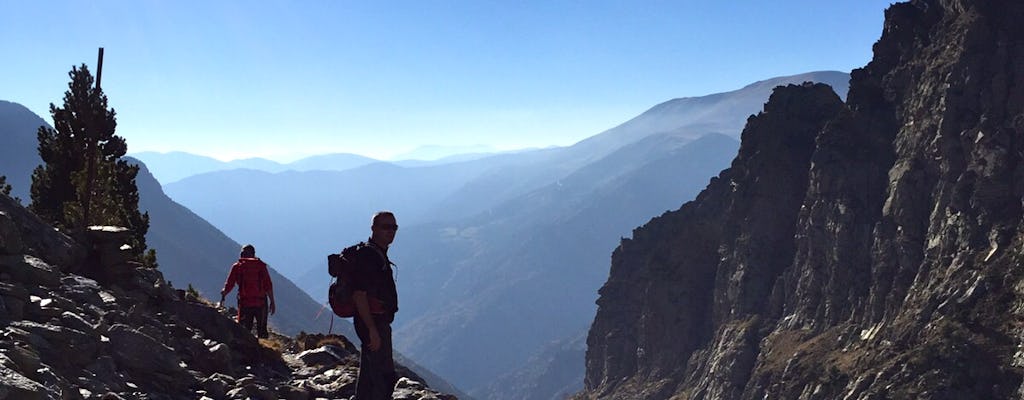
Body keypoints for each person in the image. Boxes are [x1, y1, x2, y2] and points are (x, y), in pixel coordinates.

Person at [351, 211, 400, 399]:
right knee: (384, 378)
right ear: (374, 229)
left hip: (374, 322)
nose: (391, 231)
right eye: (385, 227)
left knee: (369, 377)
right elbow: (359, 294)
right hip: (373, 322)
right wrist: (372, 329)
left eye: (394, 227)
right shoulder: (369, 257)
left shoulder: (376, 253)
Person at [220, 244, 276, 338]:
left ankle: (246, 350)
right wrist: (272, 302)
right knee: (262, 330)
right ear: (253, 254)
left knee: (244, 330)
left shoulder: (237, 266)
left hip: (245, 302)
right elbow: (268, 285)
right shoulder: (260, 266)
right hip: (261, 302)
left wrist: (224, 294)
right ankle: (263, 351)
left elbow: (230, 284)